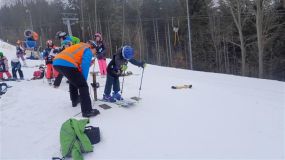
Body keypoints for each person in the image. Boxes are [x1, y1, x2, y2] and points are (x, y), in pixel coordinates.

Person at [53, 40, 100, 118]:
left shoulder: (80, 46)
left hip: (57, 62)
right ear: (93, 47)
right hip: (67, 64)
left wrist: (86, 65)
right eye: (95, 51)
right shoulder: (87, 49)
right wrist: (83, 80)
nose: (94, 54)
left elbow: (77, 66)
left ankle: (74, 100)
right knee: (83, 86)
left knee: (73, 80)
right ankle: (87, 111)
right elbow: (84, 65)